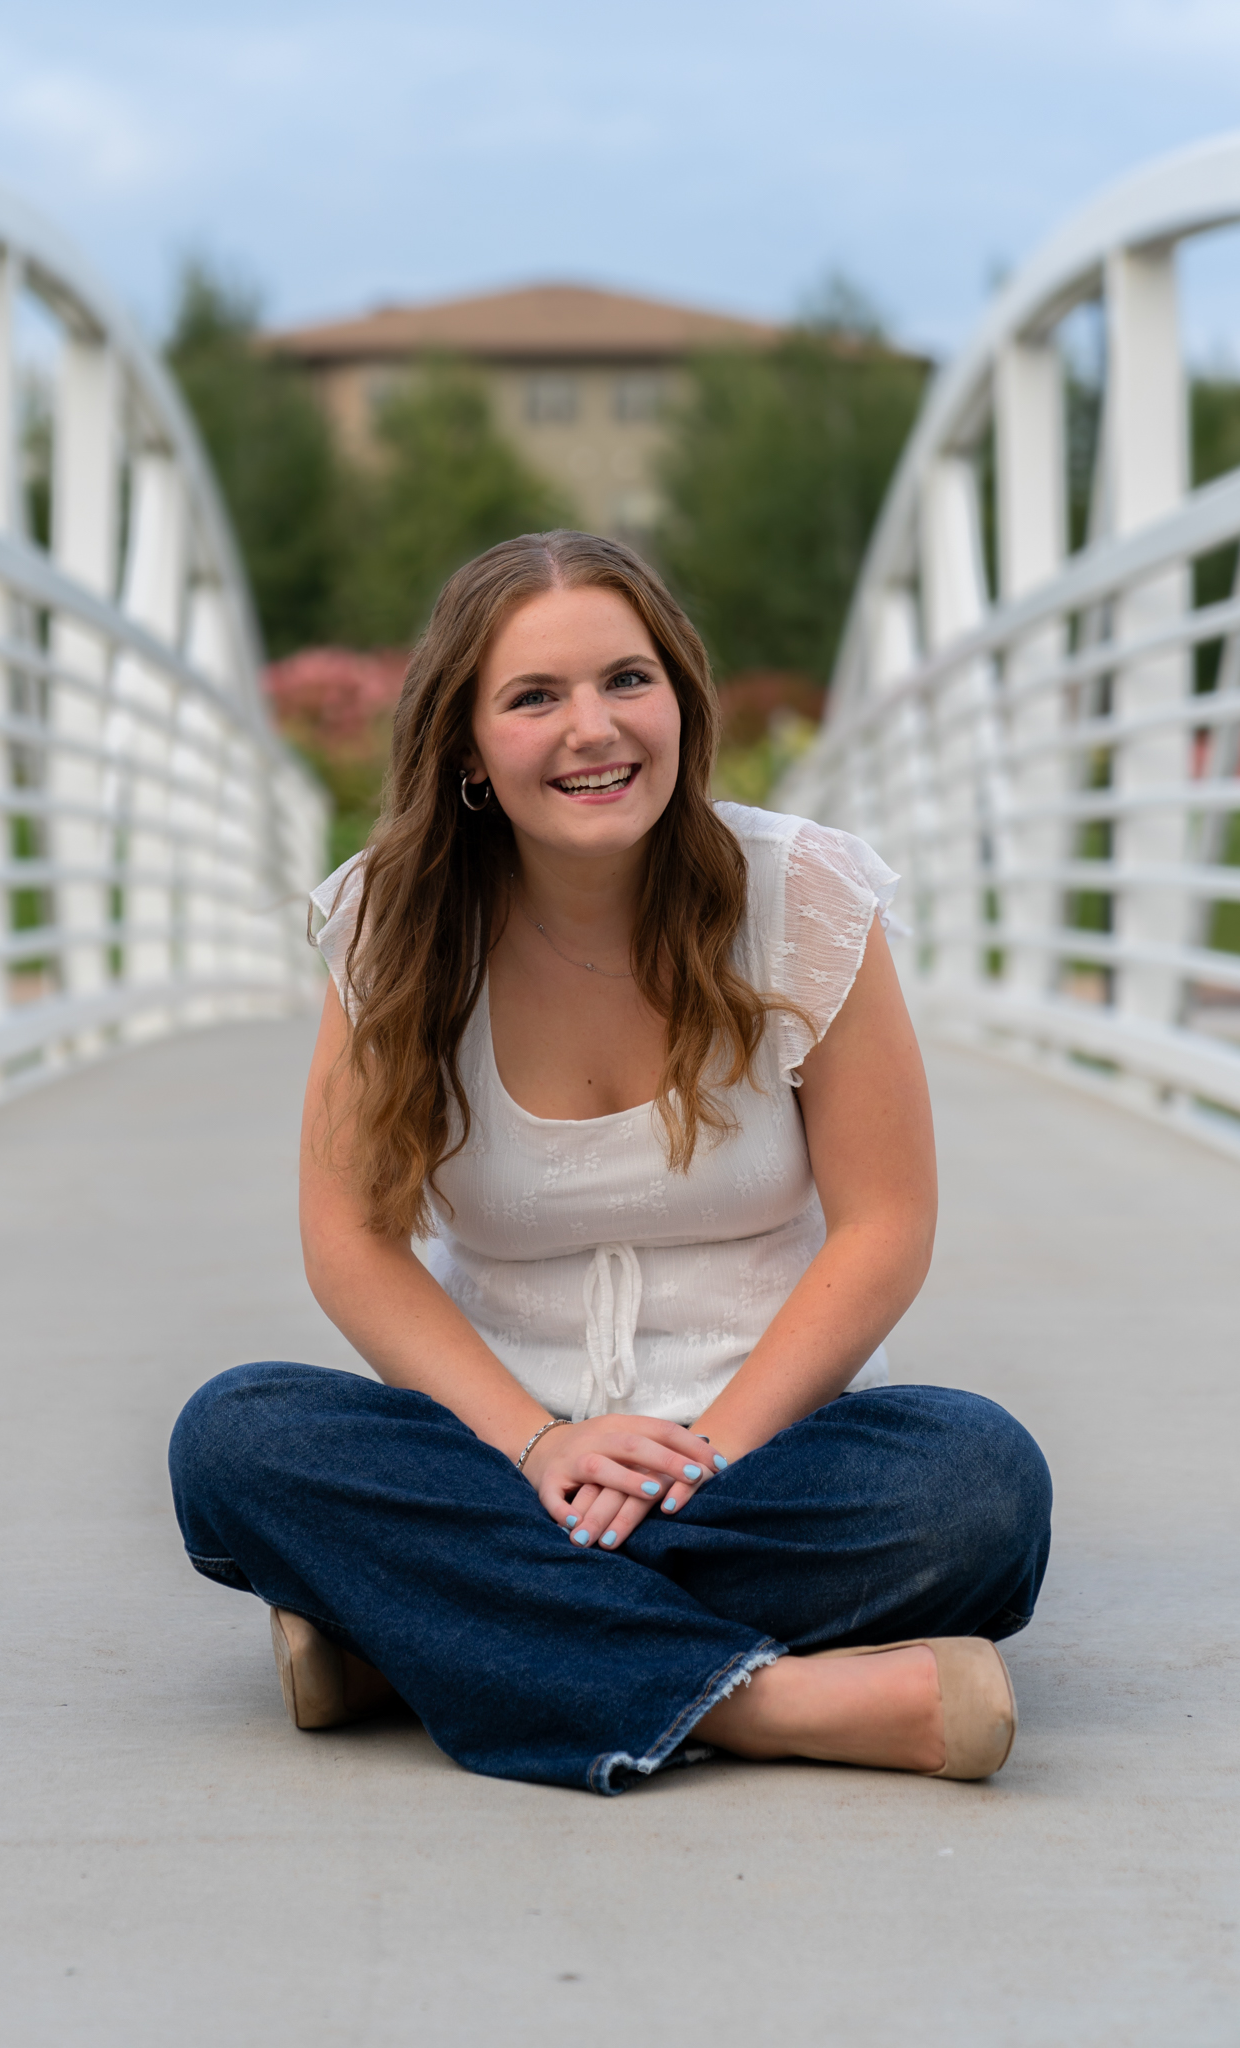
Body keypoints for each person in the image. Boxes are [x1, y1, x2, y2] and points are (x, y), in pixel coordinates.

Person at [169, 529, 1051, 1796]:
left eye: (627, 681)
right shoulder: (390, 925)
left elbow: (884, 1228)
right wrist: (538, 1450)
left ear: (682, 701)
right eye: (534, 697)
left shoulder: (800, 896)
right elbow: (351, 1244)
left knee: (979, 1482)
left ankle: (417, 1635)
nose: (595, 728)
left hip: (764, 1454)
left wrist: (705, 1452)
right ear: (468, 749)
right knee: (235, 1438)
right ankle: (770, 1700)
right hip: (495, 1455)